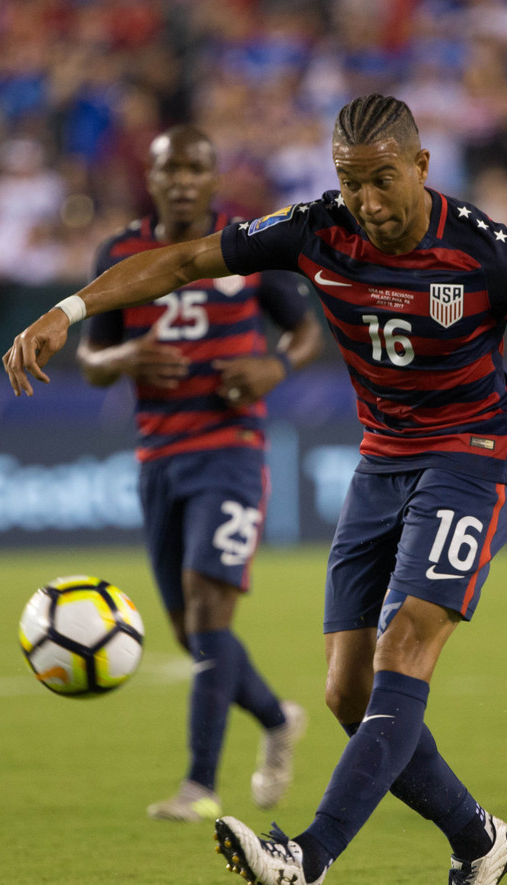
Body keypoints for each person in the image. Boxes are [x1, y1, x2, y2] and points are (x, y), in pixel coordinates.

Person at [4, 95, 507, 885]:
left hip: (473, 459)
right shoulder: (315, 230)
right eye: (351, 184)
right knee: (347, 693)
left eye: (382, 181)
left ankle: (305, 857)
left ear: (421, 167)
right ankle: (478, 840)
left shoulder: (484, 251)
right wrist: (67, 312)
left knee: (401, 654)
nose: (368, 204)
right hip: (379, 466)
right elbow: (186, 260)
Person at [76, 124, 324, 822]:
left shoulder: (246, 249)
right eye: (169, 168)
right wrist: (124, 361)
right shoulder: (120, 253)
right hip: (159, 458)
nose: (181, 179)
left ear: (215, 179)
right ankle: (277, 719)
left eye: (194, 168)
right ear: (149, 179)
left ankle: (198, 785)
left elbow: (304, 332)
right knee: (190, 631)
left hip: (232, 449)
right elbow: (92, 361)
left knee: (209, 607)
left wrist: (274, 365)